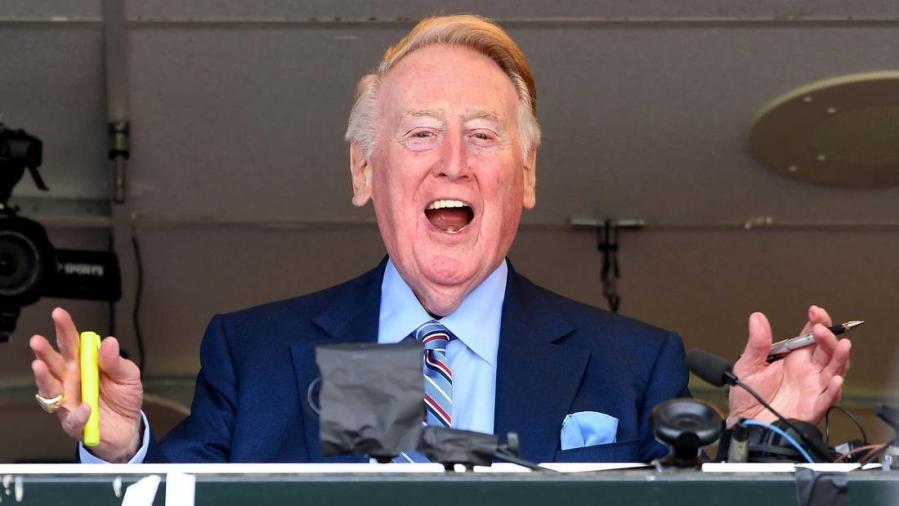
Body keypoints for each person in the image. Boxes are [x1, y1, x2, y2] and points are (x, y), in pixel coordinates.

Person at [28, 14, 851, 464]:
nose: (453, 162)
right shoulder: (255, 351)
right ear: (363, 172)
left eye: (484, 137)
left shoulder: (633, 364)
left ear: (525, 178)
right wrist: (125, 446)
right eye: (419, 135)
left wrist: (760, 442)